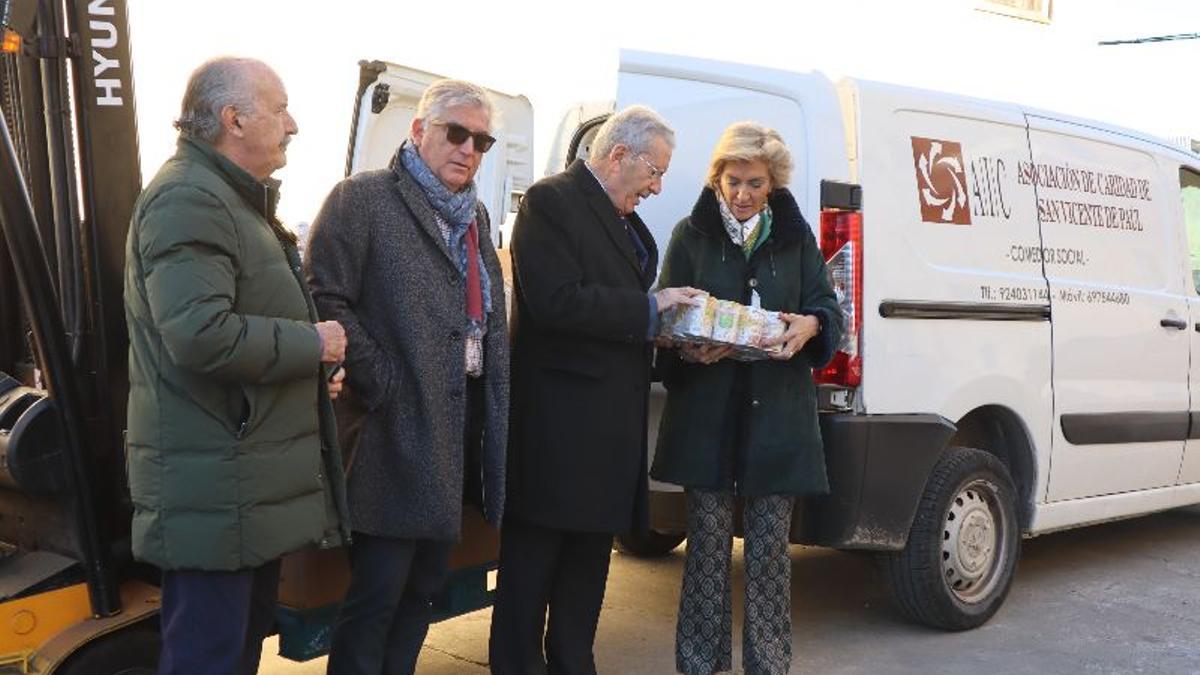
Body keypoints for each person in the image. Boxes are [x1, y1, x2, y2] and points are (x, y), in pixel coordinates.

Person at [123, 56, 351, 675]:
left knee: (233, 654)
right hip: (217, 495)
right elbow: (200, 335)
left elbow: (235, 328)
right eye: (279, 109)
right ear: (233, 119)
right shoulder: (188, 200)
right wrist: (314, 345)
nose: (293, 123)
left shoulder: (228, 199)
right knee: (209, 660)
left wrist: (305, 373)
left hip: (239, 490)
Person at [305, 79, 509, 675]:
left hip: (455, 429)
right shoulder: (363, 199)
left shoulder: (476, 216)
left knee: (423, 591)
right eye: (457, 133)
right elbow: (324, 294)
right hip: (391, 431)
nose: (469, 149)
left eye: (482, 140)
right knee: (376, 597)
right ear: (419, 131)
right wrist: (383, 378)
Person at [490, 105, 703, 675]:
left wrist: (665, 332)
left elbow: (617, 319)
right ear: (618, 155)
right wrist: (649, 307)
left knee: (586, 577)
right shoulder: (551, 202)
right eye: (654, 171)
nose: (659, 186)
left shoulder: (628, 224)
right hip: (557, 436)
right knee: (530, 578)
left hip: (606, 440)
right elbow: (556, 301)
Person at [651, 121, 844, 675]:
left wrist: (809, 325)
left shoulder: (796, 238)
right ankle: (699, 665)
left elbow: (826, 310)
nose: (741, 194)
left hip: (777, 423)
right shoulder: (691, 234)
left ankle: (769, 666)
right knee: (706, 552)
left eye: (754, 184)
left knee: (767, 558)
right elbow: (666, 317)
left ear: (773, 185)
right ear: (717, 177)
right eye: (733, 181)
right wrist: (688, 348)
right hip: (706, 418)